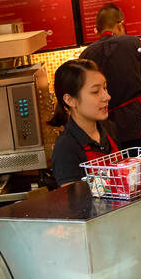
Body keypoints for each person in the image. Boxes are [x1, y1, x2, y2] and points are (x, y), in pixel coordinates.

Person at [79, 4, 141, 147]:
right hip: (137, 120)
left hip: (105, 125)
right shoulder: (134, 43)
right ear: (121, 24)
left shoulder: (85, 55)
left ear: (98, 30)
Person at [48, 58, 118, 187]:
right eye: (95, 91)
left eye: (105, 88)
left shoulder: (109, 128)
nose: (107, 96)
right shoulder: (66, 148)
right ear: (70, 100)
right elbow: (75, 203)